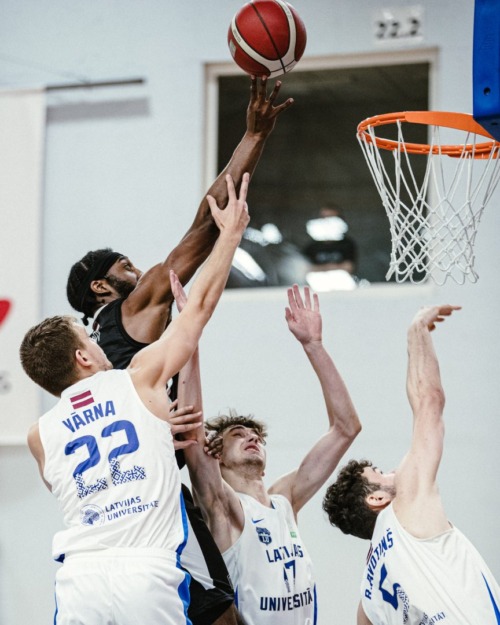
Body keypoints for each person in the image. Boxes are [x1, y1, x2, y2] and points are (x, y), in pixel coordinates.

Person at [65, 75, 292, 625]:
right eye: (125, 266)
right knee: (222, 614)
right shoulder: (132, 308)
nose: (141, 269)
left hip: (100, 517)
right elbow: (204, 226)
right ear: (101, 286)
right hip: (156, 497)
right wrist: (253, 138)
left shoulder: (87, 363)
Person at [20, 174, 250, 625]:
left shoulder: (38, 436)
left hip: (79, 578)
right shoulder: (138, 379)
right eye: (87, 339)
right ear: (83, 356)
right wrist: (230, 236)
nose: (96, 340)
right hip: (146, 569)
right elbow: (199, 306)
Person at [177, 284, 362, 625]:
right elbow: (191, 432)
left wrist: (314, 346)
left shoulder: (284, 501)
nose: (252, 437)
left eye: (257, 436)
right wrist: (190, 335)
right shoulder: (225, 507)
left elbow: (346, 428)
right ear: (217, 455)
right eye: (238, 434)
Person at [322, 304, 500, 625]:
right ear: (377, 498)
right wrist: (416, 332)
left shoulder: (368, 596)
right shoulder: (405, 507)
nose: (393, 472)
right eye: (381, 473)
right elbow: (429, 401)